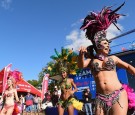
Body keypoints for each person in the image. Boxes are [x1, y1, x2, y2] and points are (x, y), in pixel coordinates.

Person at [78, 2, 135, 115]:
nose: (108, 45)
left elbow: (128, 66)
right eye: (105, 43)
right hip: (100, 98)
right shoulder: (92, 61)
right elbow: (80, 66)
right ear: (98, 45)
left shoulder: (113, 58)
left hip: (117, 94)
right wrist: (81, 55)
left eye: (108, 44)